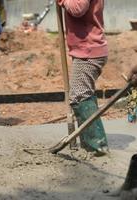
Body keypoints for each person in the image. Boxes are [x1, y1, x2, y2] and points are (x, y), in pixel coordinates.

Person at [57, 0, 109, 156]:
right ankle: (89, 143)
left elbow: (78, 8)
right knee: (85, 94)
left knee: (79, 95)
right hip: (86, 49)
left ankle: (96, 146)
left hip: (89, 50)